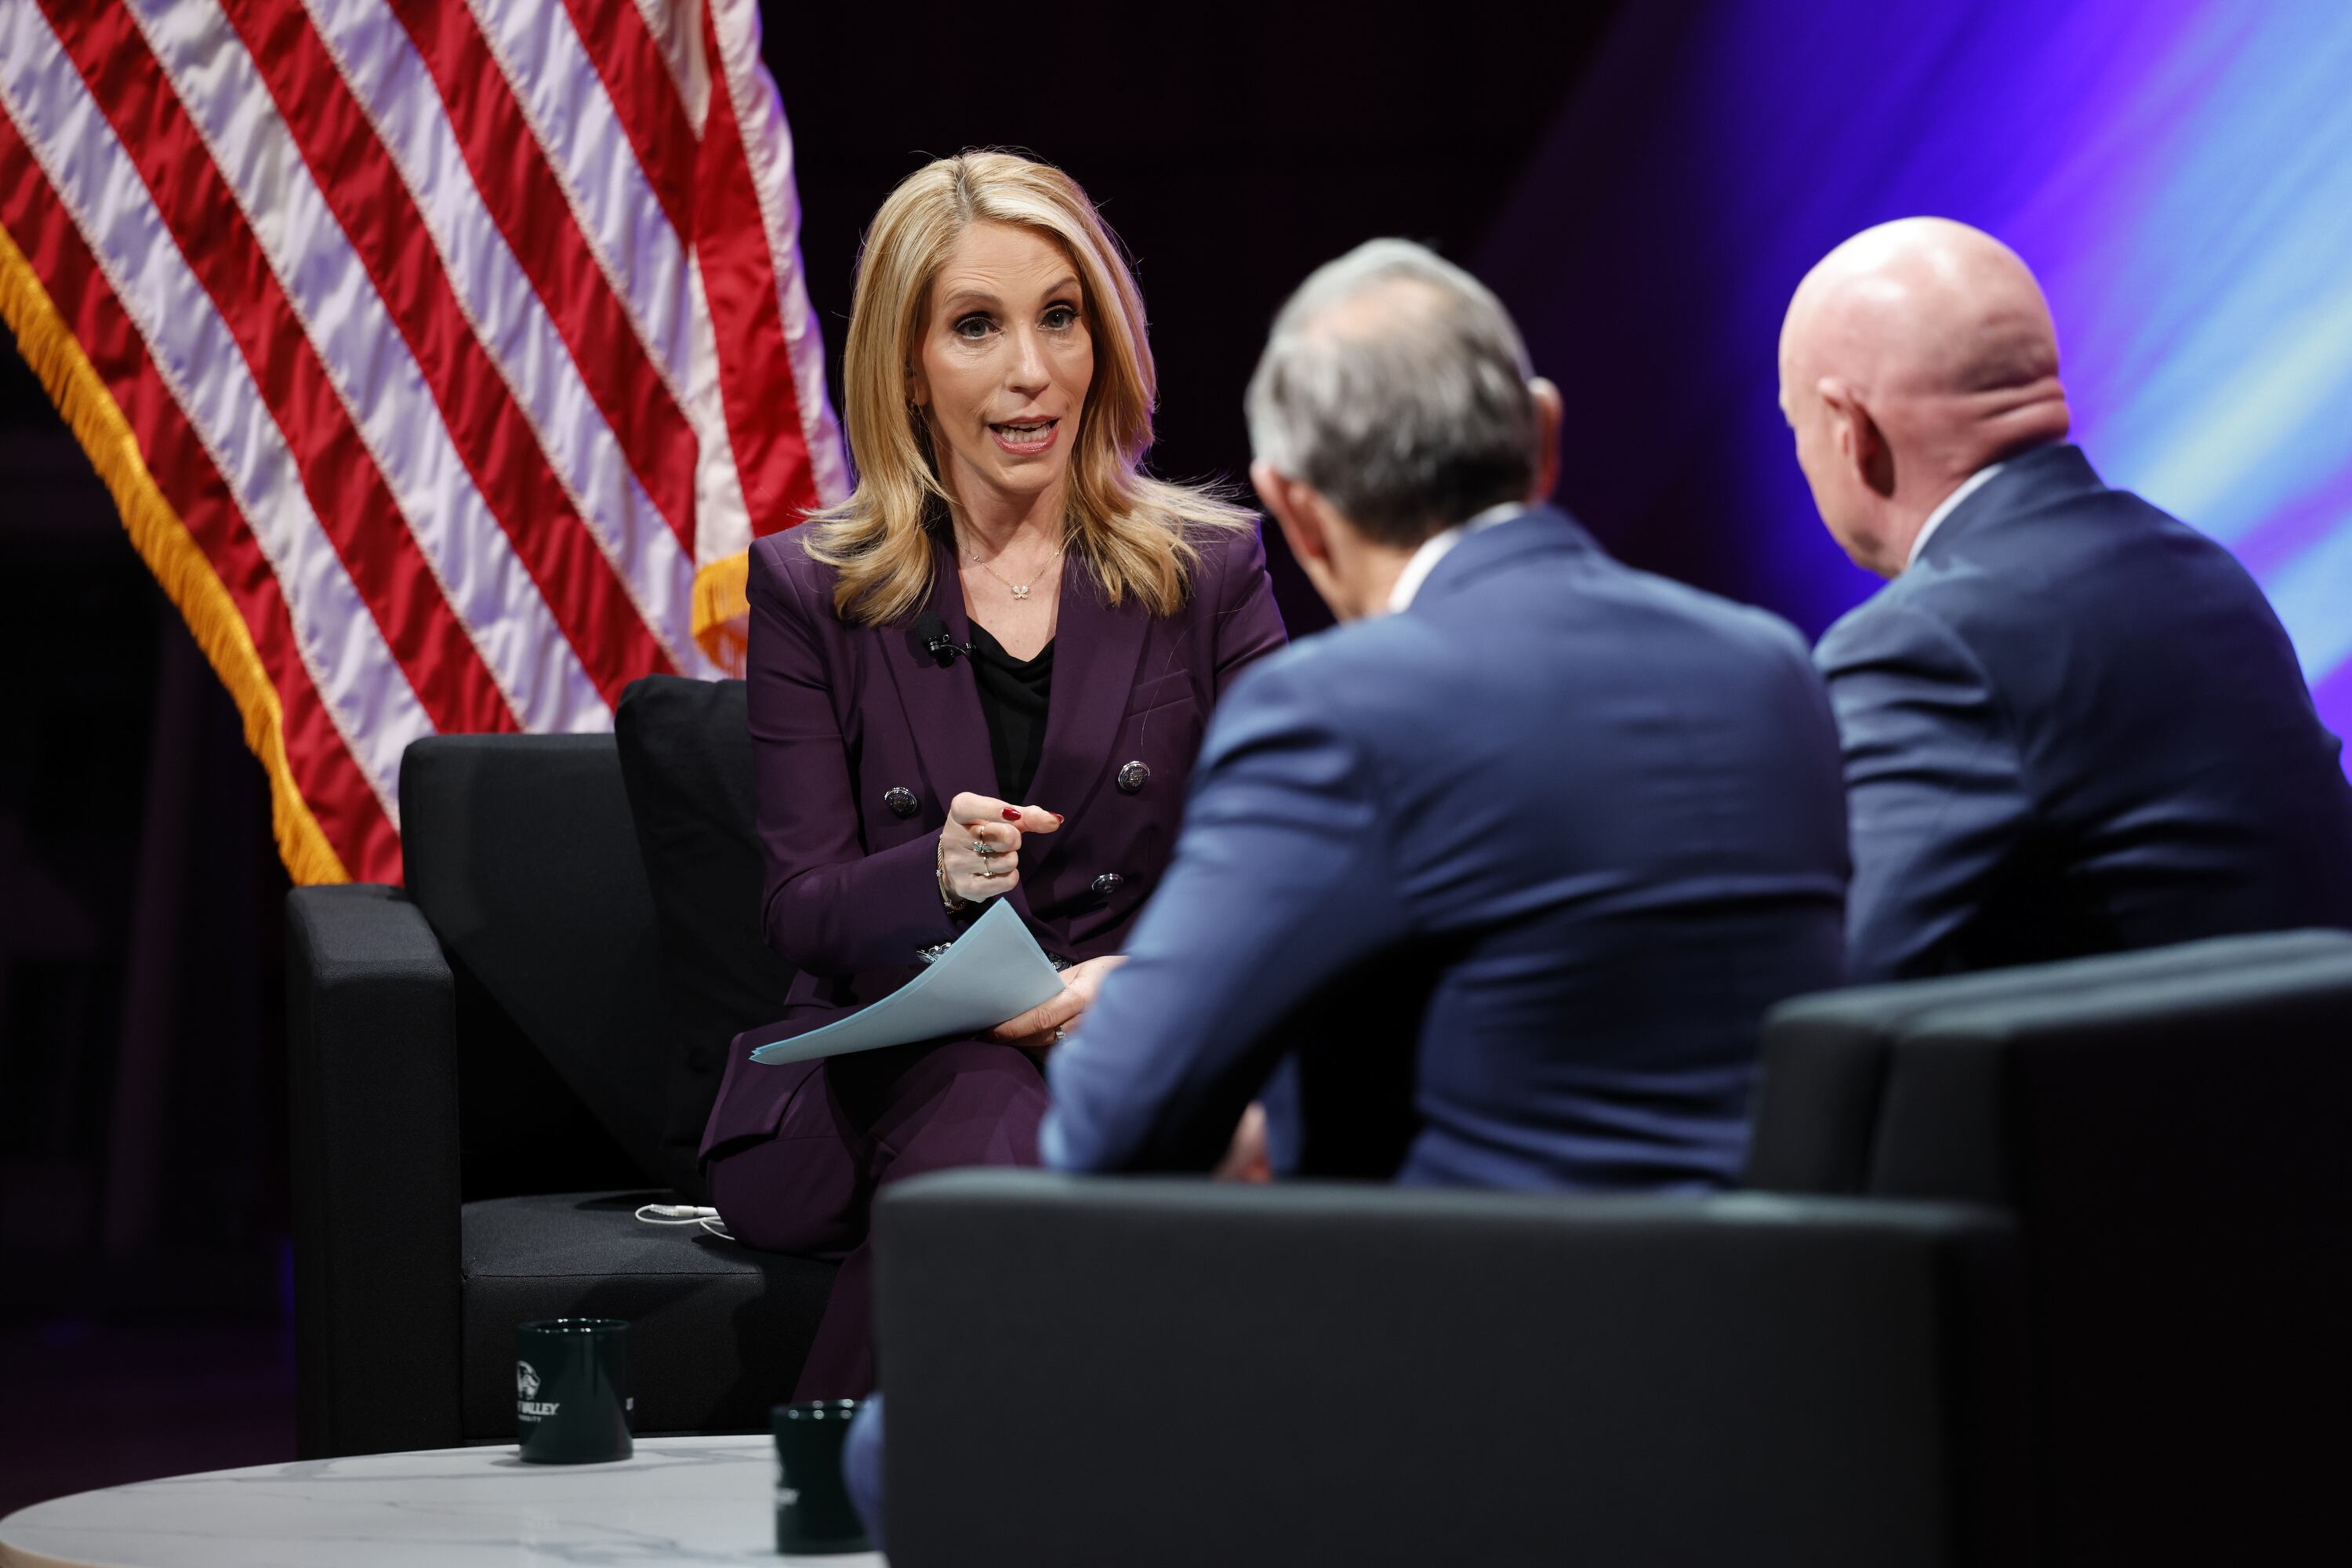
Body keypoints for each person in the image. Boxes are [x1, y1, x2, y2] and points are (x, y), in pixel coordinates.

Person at [842, 236, 1850, 1549]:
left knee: (907, 1432)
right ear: (1541, 439)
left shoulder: (1343, 709)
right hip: (1791, 1352)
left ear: (1295, 507)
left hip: (1486, 1376)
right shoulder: (1771, 666)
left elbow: (1117, 1121)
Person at [701, 151, 1287, 1399]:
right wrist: (940, 875)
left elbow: (1289, 854)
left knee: (1068, 1117)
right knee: (988, 1121)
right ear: (908, 369)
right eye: (978, 327)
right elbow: (800, 909)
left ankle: (854, 1489)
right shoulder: (816, 589)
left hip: (1128, 1026)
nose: (1033, 370)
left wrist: (1151, 974)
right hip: (904, 1048)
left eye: (1060, 318)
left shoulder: (1210, 568)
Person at [1780, 217, 2352, 981]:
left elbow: (1832, 987)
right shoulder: (2203, 571)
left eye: (1798, 427)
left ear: (1853, 429)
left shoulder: (1926, 644)